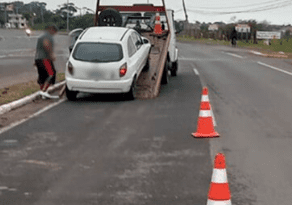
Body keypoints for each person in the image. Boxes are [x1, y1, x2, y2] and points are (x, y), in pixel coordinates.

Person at [34, 23, 59, 99]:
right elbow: (46, 44)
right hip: (45, 59)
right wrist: (51, 54)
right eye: (54, 31)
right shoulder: (47, 36)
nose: (54, 33)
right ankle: (43, 91)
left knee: (42, 76)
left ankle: (42, 92)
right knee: (51, 74)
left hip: (38, 58)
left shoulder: (41, 36)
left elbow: (38, 49)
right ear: (51, 29)